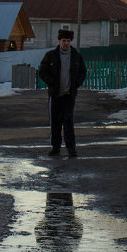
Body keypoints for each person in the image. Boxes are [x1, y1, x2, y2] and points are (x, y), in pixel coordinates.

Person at [37, 28, 87, 156]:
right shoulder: (51, 56)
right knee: (55, 121)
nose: (66, 43)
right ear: (59, 41)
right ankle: (56, 147)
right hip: (55, 95)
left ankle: (71, 148)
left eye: (68, 41)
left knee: (68, 121)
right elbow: (42, 70)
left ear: (71, 42)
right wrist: (51, 82)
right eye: (64, 40)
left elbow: (83, 72)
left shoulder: (76, 56)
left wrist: (76, 83)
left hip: (69, 94)